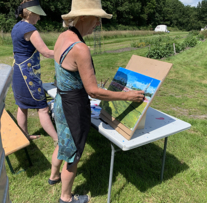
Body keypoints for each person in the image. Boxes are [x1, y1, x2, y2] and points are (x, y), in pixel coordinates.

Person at [52, 0, 145, 202]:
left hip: (61, 101)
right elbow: (93, 91)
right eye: (97, 18)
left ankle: (53, 176)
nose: (98, 24)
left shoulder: (62, 37)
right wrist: (128, 95)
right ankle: (66, 198)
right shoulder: (80, 48)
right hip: (73, 107)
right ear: (84, 17)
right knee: (73, 154)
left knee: (64, 142)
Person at [11, 0, 62, 183]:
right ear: (30, 13)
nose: (39, 17)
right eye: (38, 14)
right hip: (28, 76)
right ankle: (58, 139)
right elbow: (47, 52)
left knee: (21, 106)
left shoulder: (16, 27)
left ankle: (24, 135)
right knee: (41, 108)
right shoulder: (30, 30)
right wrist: (67, 51)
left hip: (17, 71)